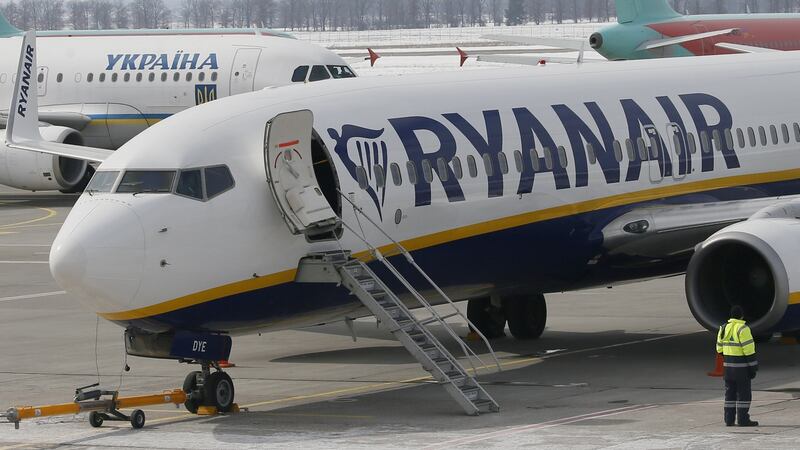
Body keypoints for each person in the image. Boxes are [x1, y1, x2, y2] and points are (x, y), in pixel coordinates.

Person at [716, 305, 759, 427]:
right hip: (742, 370)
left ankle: (729, 420)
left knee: (729, 395)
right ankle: (743, 419)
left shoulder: (723, 328)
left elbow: (719, 349)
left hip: (728, 369)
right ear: (742, 315)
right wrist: (753, 368)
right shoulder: (743, 329)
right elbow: (749, 351)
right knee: (744, 395)